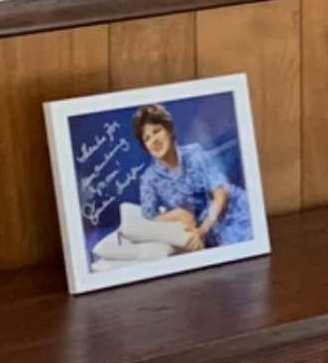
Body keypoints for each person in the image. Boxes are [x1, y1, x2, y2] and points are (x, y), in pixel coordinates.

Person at [92, 102, 244, 263]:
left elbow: (221, 193)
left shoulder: (195, 153)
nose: (154, 141)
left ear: (169, 130)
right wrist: (177, 215)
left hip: (231, 213)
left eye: (157, 131)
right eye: (147, 138)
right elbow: (150, 218)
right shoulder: (149, 179)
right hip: (196, 231)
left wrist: (203, 230)